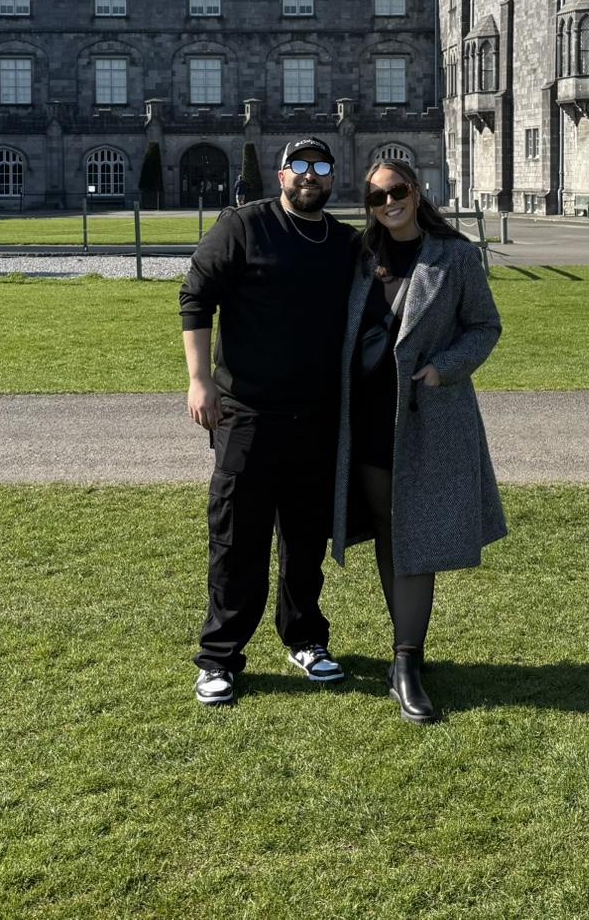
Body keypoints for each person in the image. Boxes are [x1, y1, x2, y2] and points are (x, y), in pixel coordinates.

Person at [180, 137, 359, 707]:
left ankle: (305, 639)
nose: (310, 176)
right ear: (282, 175)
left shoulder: (344, 242)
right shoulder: (243, 227)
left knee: (305, 539)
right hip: (247, 414)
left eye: (321, 167)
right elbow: (195, 297)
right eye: (299, 167)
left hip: (318, 416)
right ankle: (220, 657)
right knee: (238, 538)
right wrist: (200, 380)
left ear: (332, 178)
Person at [331, 158, 506, 725]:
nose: (389, 203)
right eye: (378, 196)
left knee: (413, 537)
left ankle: (407, 661)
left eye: (398, 191)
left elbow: (485, 326)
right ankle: (403, 651)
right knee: (389, 534)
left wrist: (443, 368)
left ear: (417, 191)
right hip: (367, 420)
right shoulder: (359, 258)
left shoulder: (453, 256)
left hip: (426, 419)